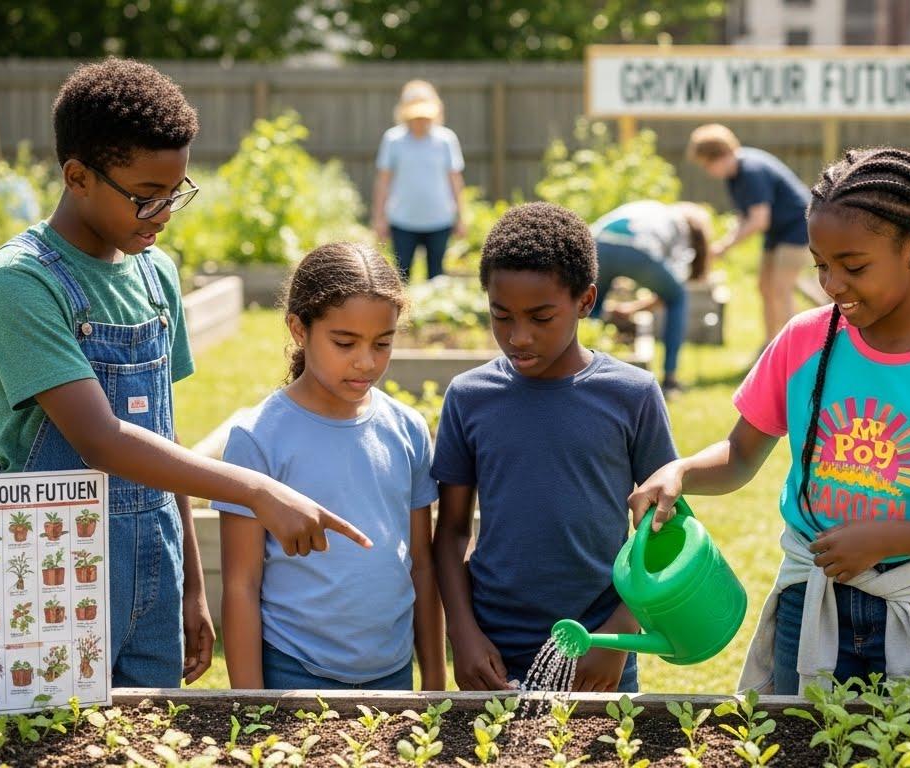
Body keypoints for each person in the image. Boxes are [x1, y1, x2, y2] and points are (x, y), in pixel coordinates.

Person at [0, 59, 371, 688]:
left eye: (175, 192)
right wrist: (259, 490)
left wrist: (191, 584)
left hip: (154, 567)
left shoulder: (156, 273)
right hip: (49, 568)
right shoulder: (23, 284)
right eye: (145, 196)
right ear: (77, 176)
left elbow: (162, 434)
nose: (163, 213)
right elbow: (101, 441)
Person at [628, 148, 910, 696]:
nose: (831, 283)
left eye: (854, 266)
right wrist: (680, 471)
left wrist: (887, 539)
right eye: (821, 263)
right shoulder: (805, 340)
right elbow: (742, 454)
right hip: (811, 599)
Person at [432, 202, 679, 693]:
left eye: (541, 317)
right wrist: (462, 632)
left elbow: (665, 532)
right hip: (494, 650)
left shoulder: (632, 394)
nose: (517, 337)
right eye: (500, 316)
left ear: (586, 300)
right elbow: (452, 532)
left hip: (600, 649)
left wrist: (620, 630)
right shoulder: (468, 397)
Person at [215, 243, 444, 691]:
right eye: (345, 343)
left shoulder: (408, 428)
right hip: (294, 670)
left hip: (392, 673)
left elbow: (421, 564)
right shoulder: (258, 437)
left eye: (383, 343)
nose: (366, 361)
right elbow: (241, 585)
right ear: (299, 329)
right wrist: (247, 702)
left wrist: (434, 680)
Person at [687, 124, 814, 347]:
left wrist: (724, 247)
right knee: (765, 287)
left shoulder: (751, 171)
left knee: (780, 289)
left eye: (708, 164)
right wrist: (723, 241)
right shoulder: (735, 175)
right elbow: (744, 216)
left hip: (798, 227)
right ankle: (770, 344)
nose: (708, 171)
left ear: (721, 155)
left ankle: (796, 349)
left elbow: (758, 220)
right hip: (777, 231)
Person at [591, 200, 713, 394]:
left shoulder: (648, 207)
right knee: (678, 298)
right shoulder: (680, 226)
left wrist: (630, 308)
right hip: (639, 248)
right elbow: (670, 291)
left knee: (591, 305)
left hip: (599, 243)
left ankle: (582, 367)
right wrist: (635, 308)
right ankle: (670, 378)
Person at [373, 80, 466, 282]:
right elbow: (383, 182)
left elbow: (455, 181)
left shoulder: (446, 140)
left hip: (439, 220)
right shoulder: (393, 140)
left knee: (437, 276)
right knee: (401, 276)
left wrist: (461, 217)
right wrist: (379, 218)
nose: (420, 122)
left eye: (425, 116)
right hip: (402, 220)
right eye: (416, 116)